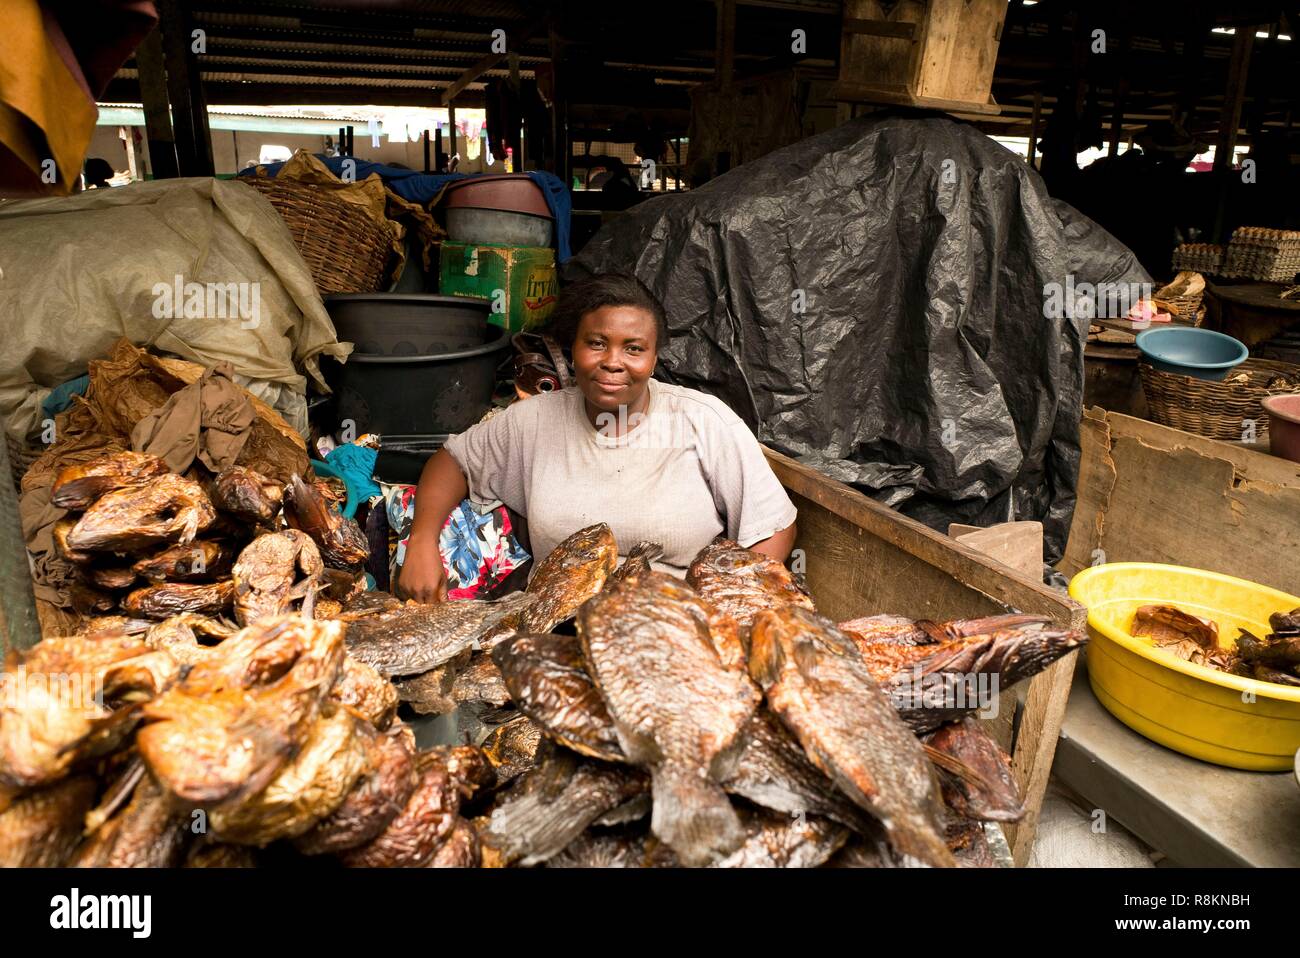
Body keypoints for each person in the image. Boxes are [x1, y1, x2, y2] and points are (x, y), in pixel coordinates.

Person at [397, 273, 798, 602]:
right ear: (573, 349)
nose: (613, 362)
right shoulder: (534, 420)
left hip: (673, 623)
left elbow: (771, 527)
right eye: (597, 343)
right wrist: (421, 541)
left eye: (634, 349)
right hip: (555, 622)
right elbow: (453, 461)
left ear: (654, 358)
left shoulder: (701, 420)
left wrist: (733, 605)